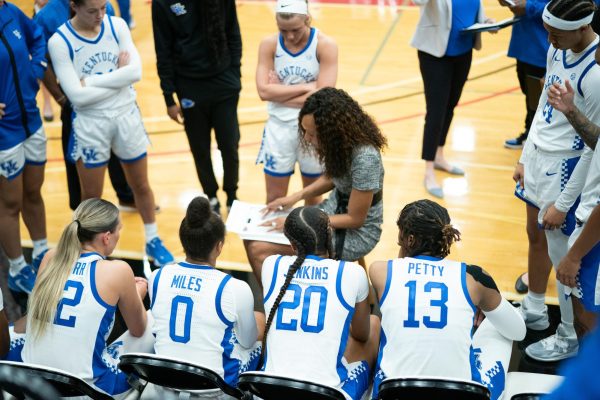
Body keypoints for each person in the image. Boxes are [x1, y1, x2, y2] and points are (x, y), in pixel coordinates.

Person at [47, 0, 173, 267]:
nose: (100, 16)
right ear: (74, 7)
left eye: (103, 8)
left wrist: (92, 80)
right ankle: (86, 249)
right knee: (92, 196)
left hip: (127, 114)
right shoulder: (60, 41)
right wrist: (119, 76)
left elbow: (136, 72)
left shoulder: (116, 25)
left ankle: (152, 239)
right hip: (91, 123)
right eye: (92, 11)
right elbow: (77, 98)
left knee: (140, 184)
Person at [512, 0, 600, 362]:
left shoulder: (594, 73)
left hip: (565, 168)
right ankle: (534, 307)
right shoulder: (556, 48)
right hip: (538, 156)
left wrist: (564, 203)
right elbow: (541, 109)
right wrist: (523, 155)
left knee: (564, 258)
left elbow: (593, 148)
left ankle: (567, 333)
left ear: (582, 28)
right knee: (535, 236)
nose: (548, 38)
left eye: (556, 33)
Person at [369, 200, 526, 400]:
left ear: (409, 239)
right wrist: (483, 306)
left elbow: (403, 272)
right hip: (459, 396)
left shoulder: (379, 271)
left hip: (395, 393)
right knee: (501, 326)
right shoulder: (473, 278)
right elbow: (518, 332)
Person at [245, 88, 386, 282]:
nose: (307, 139)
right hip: (331, 212)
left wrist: (297, 222)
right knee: (251, 237)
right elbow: (333, 177)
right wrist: (296, 196)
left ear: (332, 131)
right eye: (304, 131)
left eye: (312, 134)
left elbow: (355, 219)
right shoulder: (342, 144)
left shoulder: (366, 158)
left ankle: (279, 302)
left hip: (356, 232)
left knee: (258, 249)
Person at [22, 198, 154, 398]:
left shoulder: (51, 257)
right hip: (83, 390)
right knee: (152, 320)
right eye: (119, 230)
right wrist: (137, 294)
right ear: (107, 237)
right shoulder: (117, 270)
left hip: (34, 384)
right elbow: (138, 329)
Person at [261, 206, 380, 400]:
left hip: (272, 390)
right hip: (327, 394)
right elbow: (361, 333)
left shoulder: (271, 265)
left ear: (292, 244)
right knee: (373, 324)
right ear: (329, 236)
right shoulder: (352, 272)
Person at [149, 196, 263, 394]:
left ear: (183, 242)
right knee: (260, 320)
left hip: (165, 378)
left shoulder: (157, 276)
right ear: (219, 246)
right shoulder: (236, 288)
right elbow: (248, 341)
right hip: (213, 388)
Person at [34, 0, 137, 213]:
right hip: (76, 100)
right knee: (75, 157)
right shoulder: (45, 17)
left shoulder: (103, 6)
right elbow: (41, 60)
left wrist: (113, 80)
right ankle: (79, 210)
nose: (98, 14)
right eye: (92, 11)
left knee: (118, 146)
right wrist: (61, 99)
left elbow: (121, 55)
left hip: (109, 97)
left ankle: (126, 196)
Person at [152, 0, 242, 214]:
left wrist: (235, 74)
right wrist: (168, 97)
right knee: (200, 147)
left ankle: (232, 195)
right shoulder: (163, 3)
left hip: (224, 83)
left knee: (229, 144)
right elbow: (162, 49)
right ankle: (210, 195)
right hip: (189, 86)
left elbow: (233, 31)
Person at [255, 0, 338, 204]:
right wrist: (308, 87)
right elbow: (263, 91)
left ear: (307, 19)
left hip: (314, 129)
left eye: (295, 30)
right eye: (283, 30)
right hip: (279, 128)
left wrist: (280, 92)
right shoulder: (269, 44)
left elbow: (324, 96)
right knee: (274, 197)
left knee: (313, 197)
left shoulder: (326, 45)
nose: (290, 36)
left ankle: (311, 237)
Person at [411, 0, 493, 198]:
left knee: (450, 106)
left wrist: (486, 22)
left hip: (464, 52)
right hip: (435, 54)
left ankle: (439, 155)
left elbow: (472, 10)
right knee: (436, 111)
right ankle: (428, 170)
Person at [547, 50, 600, 332]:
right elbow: (598, 141)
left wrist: (574, 256)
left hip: (593, 238)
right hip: (589, 231)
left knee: (588, 320)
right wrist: (571, 111)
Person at [0, 0, 49, 294]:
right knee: (9, 203)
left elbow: (37, 36)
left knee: (33, 191)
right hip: (4, 133)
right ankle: (18, 268)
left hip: (31, 120)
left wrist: (36, 69)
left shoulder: (10, 11)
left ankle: (42, 252)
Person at [502, 0, 551, 150]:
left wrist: (528, 6)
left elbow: (562, 6)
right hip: (523, 45)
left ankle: (536, 138)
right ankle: (529, 132)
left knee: (539, 98)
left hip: (541, 47)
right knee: (529, 95)